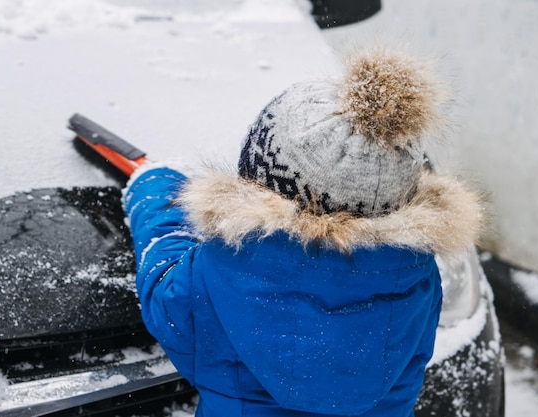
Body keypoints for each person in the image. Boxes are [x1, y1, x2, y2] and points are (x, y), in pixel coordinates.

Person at [122, 46, 484, 417]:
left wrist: (155, 186)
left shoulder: (218, 271)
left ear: (258, 182)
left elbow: (162, 280)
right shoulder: (416, 280)